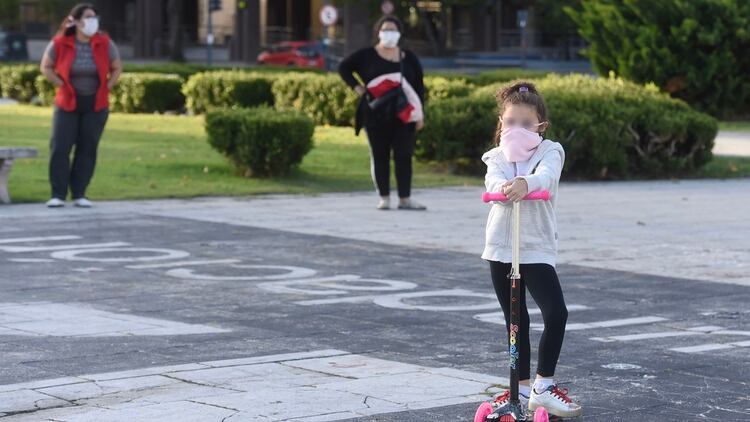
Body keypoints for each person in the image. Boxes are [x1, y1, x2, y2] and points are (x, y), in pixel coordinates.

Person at [482, 81, 582, 418]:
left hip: (535, 247)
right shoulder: (495, 157)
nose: (517, 130)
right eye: (510, 123)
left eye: (526, 124)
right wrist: (505, 187)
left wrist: (527, 183)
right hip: (501, 247)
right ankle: (520, 388)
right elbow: (493, 182)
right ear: (501, 124)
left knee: (556, 312)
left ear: (541, 126)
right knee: (515, 320)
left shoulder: (550, 151)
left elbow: (548, 176)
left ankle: (543, 386)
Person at [338, 15, 426, 210]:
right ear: (378, 32)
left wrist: (421, 114)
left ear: (399, 34)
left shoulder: (408, 58)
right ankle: (384, 198)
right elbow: (343, 68)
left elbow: (419, 87)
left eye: (393, 30)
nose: (389, 34)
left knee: (404, 155)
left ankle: (405, 198)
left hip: (404, 115)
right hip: (375, 115)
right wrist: (357, 88)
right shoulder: (366, 55)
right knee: (380, 155)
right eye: (385, 29)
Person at [40, 3, 121, 208]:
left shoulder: (104, 42)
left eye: (94, 17)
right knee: (60, 146)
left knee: (87, 148)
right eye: (87, 17)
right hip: (67, 101)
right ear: (76, 21)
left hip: (95, 103)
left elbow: (117, 67)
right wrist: (60, 83)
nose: (92, 21)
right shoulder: (60, 42)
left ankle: (79, 193)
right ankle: (58, 193)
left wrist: (107, 87)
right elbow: (45, 66)